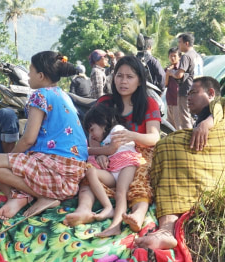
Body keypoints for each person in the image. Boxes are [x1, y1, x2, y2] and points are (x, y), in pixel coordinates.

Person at [134, 77, 225, 250]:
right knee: (168, 145)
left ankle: (167, 228)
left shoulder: (223, 104)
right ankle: (168, 227)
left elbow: (223, 108)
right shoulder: (201, 118)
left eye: (193, 92)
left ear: (211, 93)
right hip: (219, 161)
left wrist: (208, 123)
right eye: (188, 93)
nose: (189, 97)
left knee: (167, 145)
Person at [0, 51, 89, 220]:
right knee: (12, 162)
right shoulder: (63, 95)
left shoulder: (40, 95)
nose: (28, 75)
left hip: (57, 169)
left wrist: (9, 157)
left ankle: (25, 197)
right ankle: (23, 197)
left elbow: (28, 139)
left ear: (40, 76)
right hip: (73, 173)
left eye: (30, 71)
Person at [64, 55, 162, 232]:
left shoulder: (149, 104)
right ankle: (83, 210)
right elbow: (93, 137)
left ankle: (137, 215)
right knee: (88, 174)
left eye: (129, 77)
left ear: (139, 80)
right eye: (119, 76)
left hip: (138, 154)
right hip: (108, 155)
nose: (123, 81)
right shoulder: (105, 102)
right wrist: (101, 153)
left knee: (140, 179)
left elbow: (154, 138)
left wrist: (131, 136)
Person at [83, 104, 145, 237]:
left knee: (121, 192)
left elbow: (111, 149)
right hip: (112, 171)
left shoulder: (117, 130)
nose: (91, 135)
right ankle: (108, 207)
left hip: (126, 165)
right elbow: (104, 151)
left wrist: (88, 150)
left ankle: (116, 225)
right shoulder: (101, 142)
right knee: (90, 171)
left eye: (92, 129)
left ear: (103, 123)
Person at [167, 33, 203, 129]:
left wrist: (171, 73)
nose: (178, 45)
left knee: (185, 117)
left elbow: (179, 75)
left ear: (186, 43)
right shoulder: (197, 56)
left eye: (180, 42)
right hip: (198, 90)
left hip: (186, 91)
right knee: (193, 118)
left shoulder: (186, 56)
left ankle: (187, 141)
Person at [165, 47, 182, 129]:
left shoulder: (181, 70)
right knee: (170, 126)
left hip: (178, 101)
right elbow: (165, 84)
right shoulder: (167, 69)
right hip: (169, 100)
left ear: (179, 57)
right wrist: (168, 73)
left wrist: (172, 73)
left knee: (178, 126)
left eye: (175, 56)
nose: (172, 58)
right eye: (171, 56)